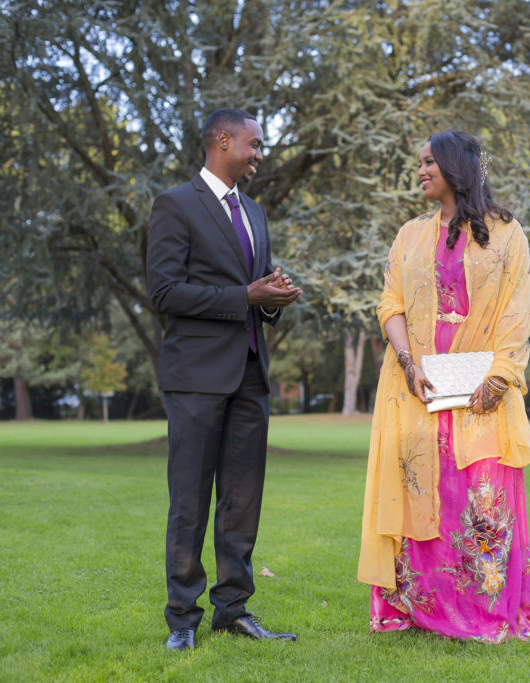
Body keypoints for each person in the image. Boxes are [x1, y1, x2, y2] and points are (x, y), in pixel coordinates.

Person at [358, 130, 530, 643]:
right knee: (420, 494)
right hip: (417, 388)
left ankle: (482, 615)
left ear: (455, 168)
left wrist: (501, 378)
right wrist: (408, 362)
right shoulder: (410, 234)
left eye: (428, 163)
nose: (420, 171)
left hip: (482, 389)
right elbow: (390, 303)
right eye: (419, 163)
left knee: (480, 498)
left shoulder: (507, 234)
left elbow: (517, 312)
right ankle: (419, 609)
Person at [146, 108, 303, 651]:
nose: (260, 154)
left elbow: (252, 293)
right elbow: (164, 293)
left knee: (242, 500)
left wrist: (272, 298)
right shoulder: (175, 204)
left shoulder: (255, 212)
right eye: (254, 144)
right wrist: (245, 296)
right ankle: (182, 620)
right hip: (195, 378)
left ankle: (232, 610)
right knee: (189, 500)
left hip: (249, 375)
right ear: (222, 140)